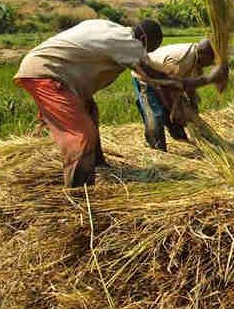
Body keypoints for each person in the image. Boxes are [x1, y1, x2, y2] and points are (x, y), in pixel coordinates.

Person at [14, 19, 172, 187]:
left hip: (53, 69)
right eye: (149, 48)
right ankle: (78, 193)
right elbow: (151, 75)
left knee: (90, 111)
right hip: (48, 73)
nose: (146, 52)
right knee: (82, 135)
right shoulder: (130, 43)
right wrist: (183, 84)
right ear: (145, 39)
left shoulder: (113, 29)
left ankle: (98, 165)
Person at [131, 39, 229, 151]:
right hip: (145, 78)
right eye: (212, 59)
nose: (212, 63)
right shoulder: (181, 61)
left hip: (165, 81)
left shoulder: (197, 58)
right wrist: (173, 108)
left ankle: (182, 139)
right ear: (204, 54)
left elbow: (187, 84)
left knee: (180, 114)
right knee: (156, 115)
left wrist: (192, 104)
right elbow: (165, 87)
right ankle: (158, 150)